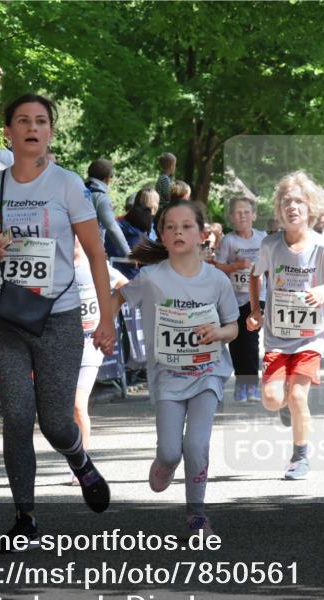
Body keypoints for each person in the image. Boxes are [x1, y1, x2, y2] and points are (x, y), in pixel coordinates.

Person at [0, 93, 116, 543]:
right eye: (23, 120)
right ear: (9, 132)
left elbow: (97, 253)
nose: (32, 127)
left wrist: (106, 317)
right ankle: (26, 517)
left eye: (41, 121)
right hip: (5, 316)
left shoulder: (66, 184)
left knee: (57, 422)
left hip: (58, 317)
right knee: (18, 416)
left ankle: (79, 460)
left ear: (50, 133)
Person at [121, 201, 240, 535]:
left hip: (208, 372)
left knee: (196, 445)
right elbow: (119, 298)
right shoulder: (151, 277)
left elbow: (234, 326)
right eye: (170, 227)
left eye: (186, 226)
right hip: (167, 376)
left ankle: (197, 514)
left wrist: (218, 332)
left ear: (203, 234)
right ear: (161, 234)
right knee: (172, 450)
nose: (177, 232)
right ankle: (165, 464)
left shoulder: (216, 280)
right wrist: (104, 324)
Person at [247, 171, 324, 480]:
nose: (292, 207)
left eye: (299, 201)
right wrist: (255, 311)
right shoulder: (270, 245)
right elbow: (255, 275)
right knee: (272, 398)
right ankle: (285, 406)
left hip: (310, 338)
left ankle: (300, 456)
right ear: (279, 209)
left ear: (310, 208)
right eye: (286, 201)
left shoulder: (323, 246)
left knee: (298, 395)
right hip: (277, 337)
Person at [68, 241, 128, 485]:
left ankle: (80, 465)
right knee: (64, 413)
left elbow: (125, 285)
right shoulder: (57, 268)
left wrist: (108, 314)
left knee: (78, 405)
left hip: (89, 348)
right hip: (61, 348)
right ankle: (75, 457)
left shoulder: (96, 266)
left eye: (76, 236)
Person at [213, 197, 268, 401]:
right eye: (238, 213)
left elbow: (271, 266)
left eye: (246, 212)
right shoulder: (229, 240)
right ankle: (241, 383)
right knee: (237, 341)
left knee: (251, 339)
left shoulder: (263, 239)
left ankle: (251, 385)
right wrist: (235, 266)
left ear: (254, 215)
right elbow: (218, 266)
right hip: (234, 297)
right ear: (231, 217)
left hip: (258, 296)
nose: (243, 216)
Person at [85, 158, 130, 259]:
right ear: (107, 179)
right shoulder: (101, 198)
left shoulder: (79, 191)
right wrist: (129, 254)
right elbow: (112, 228)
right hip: (91, 253)